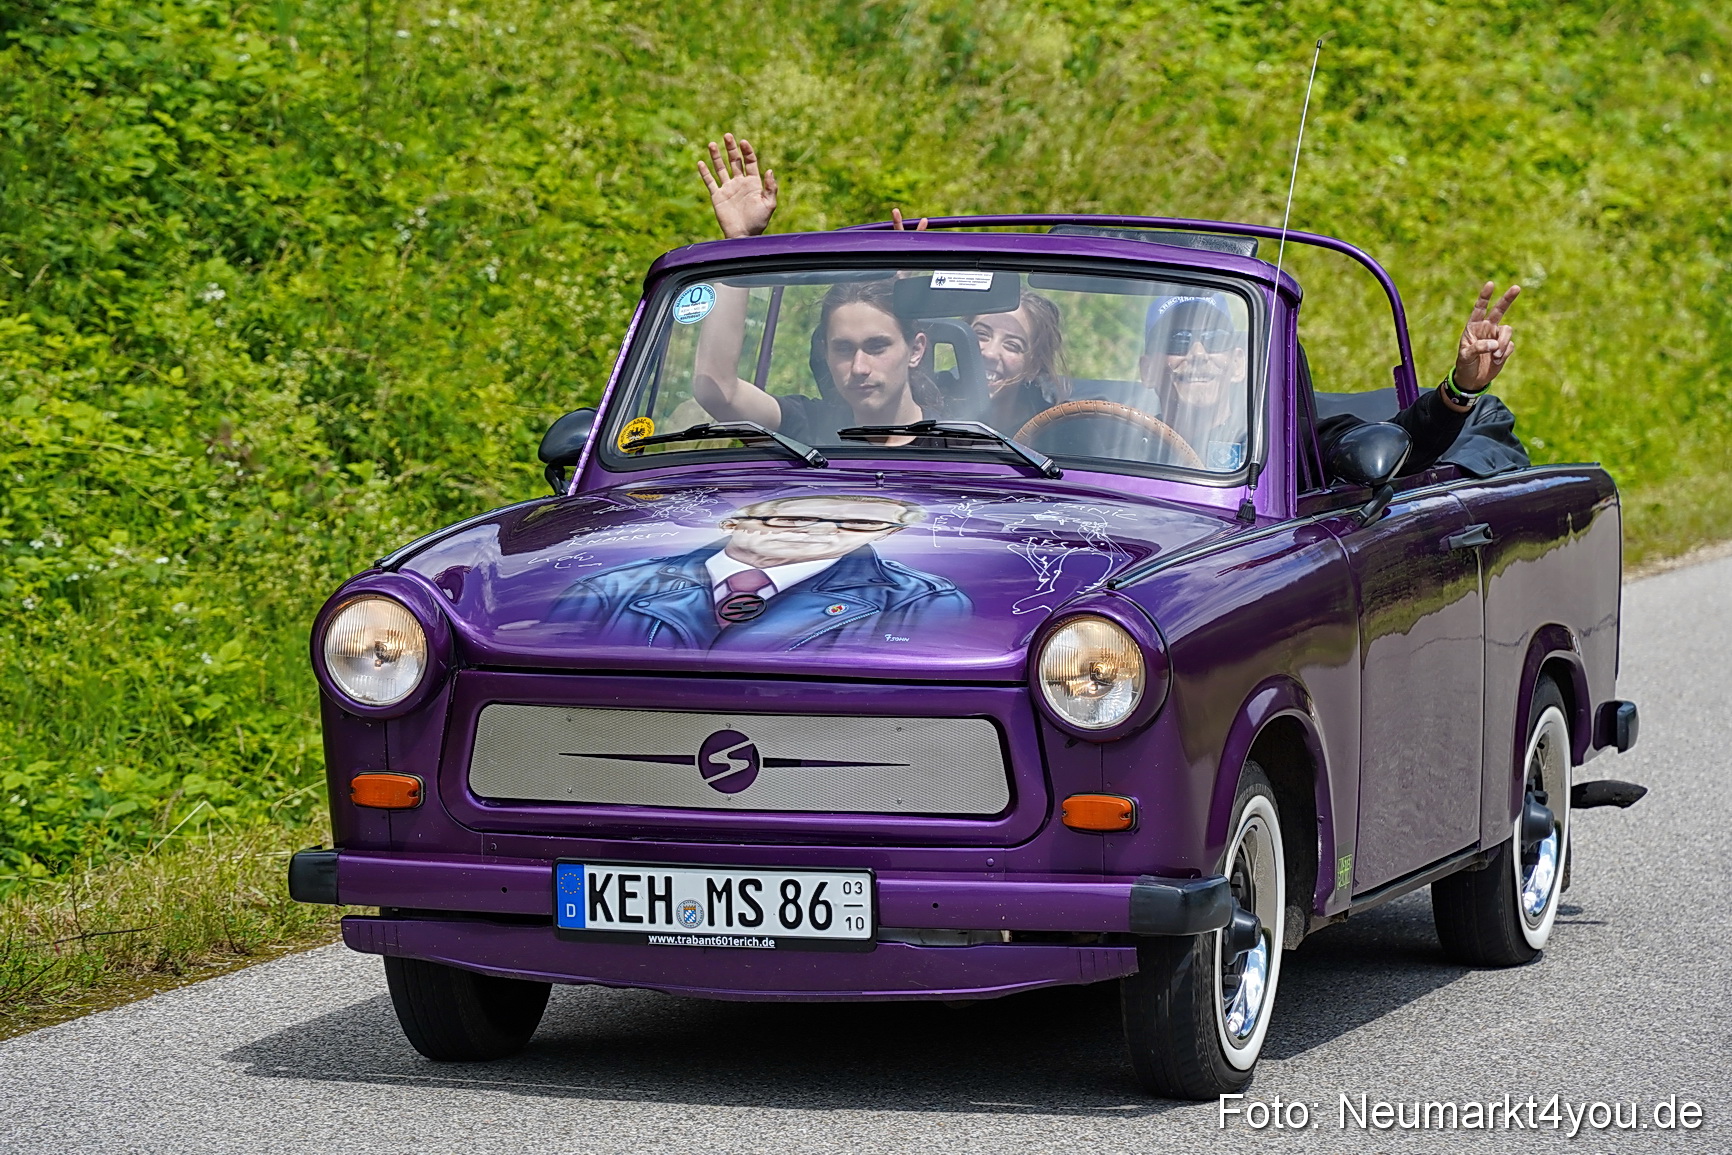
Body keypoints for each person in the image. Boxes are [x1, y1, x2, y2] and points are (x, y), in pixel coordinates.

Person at [696, 133, 1064, 440]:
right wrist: (737, 246)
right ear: (825, 353)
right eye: (843, 348)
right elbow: (718, 391)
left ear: (916, 349)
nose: (859, 367)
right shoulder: (812, 426)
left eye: (877, 346)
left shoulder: (960, 442)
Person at [550, 495, 970, 651]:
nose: (818, 531)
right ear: (732, 521)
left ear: (888, 533)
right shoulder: (606, 590)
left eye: (857, 524)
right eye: (792, 518)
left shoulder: (920, 602)